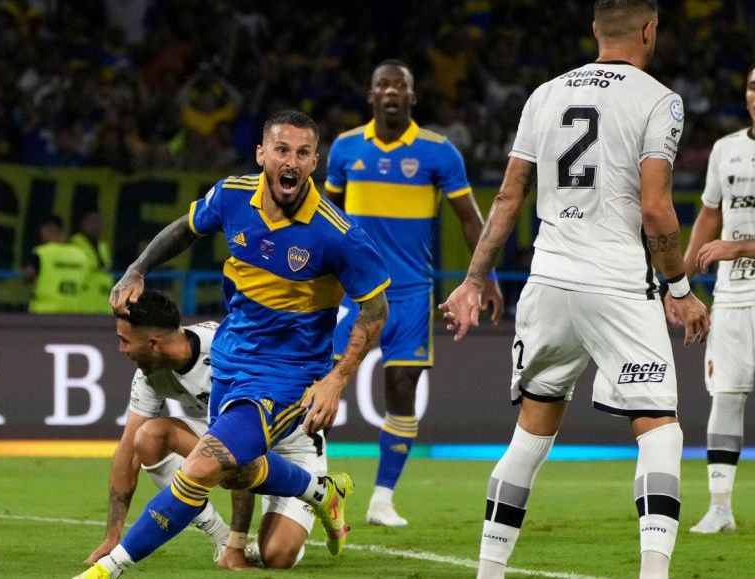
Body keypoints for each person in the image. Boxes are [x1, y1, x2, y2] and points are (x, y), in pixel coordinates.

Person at [439, 2, 710, 578]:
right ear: (650, 29)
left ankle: (489, 572)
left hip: (548, 280)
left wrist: (472, 278)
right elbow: (657, 209)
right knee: (661, 428)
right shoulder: (660, 100)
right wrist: (680, 287)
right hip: (614, 283)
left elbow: (510, 196)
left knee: (531, 434)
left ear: (594, 29)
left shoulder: (545, 94)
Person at [74, 110, 390, 579]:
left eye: (303, 153)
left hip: (288, 379)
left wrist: (336, 378)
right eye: (282, 150)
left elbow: (375, 310)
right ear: (262, 154)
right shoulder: (232, 196)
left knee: (204, 467)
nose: (292, 161)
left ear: (315, 162)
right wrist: (138, 267)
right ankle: (322, 492)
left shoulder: (337, 234)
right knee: (237, 473)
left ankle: (110, 570)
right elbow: (184, 229)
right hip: (231, 362)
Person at [325, 59, 504, 527]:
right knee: (317, 384)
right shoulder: (345, 149)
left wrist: (487, 278)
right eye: (381, 84)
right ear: (370, 96)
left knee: (402, 387)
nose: (390, 91)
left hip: (410, 293)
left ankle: (383, 498)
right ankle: (310, 490)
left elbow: (470, 219)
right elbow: (323, 218)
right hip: (354, 293)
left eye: (398, 85)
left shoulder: (438, 153)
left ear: (411, 97)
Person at [86, 289, 328, 570]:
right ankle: (220, 536)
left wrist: (239, 548)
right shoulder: (149, 376)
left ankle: (322, 492)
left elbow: (241, 445)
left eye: (125, 341)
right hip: (236, 440)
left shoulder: (224, 350)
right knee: (148, 438)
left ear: (153, 343)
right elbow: (128, 453)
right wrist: (113, 535)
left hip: (291, 445)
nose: (122, 350)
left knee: (277, 556)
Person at [673, 63, 755, 535]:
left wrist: (738, 246)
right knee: (725, 396)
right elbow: (708, 216)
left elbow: (724, 238)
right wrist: (680, 286)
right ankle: (720, 507)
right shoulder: (725, 150)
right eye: (750, 86)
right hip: (733, 295)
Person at [24, 214, 89, 313]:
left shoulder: (42, 253)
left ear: (48, 230)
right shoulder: (81, 255)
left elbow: (27, 276)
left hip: (44, 312)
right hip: (74, 312)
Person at [70, 209, 114, 314]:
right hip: (82, 306)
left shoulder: (103, 247)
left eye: (98, 221)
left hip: (104, 305)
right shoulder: (73, 245)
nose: (96, 225)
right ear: (82, 223)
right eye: (91, 221)